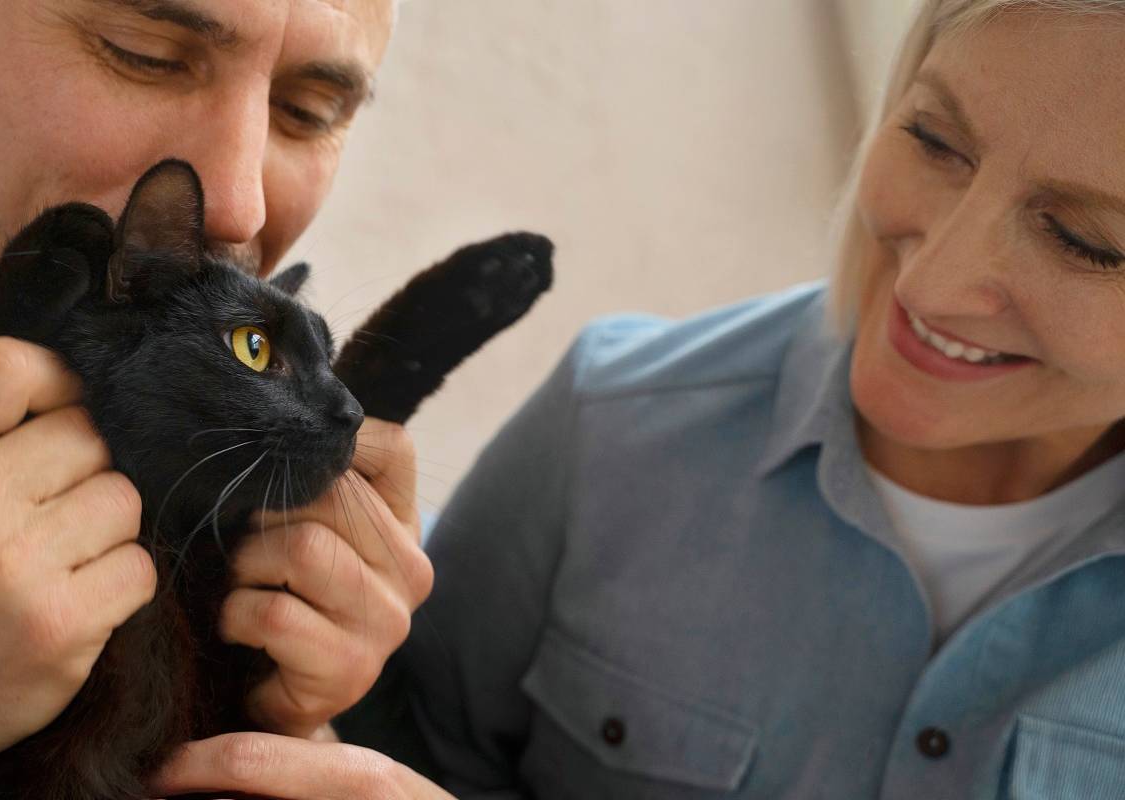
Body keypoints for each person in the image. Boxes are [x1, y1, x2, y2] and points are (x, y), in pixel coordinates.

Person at [333, 0, 1125, 796]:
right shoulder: (608, 426)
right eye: (935, 140)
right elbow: (393, 748)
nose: (929, 284)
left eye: (1082, 239)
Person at [0, 1, 445, 797]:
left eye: (307, 112)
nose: (240, 205)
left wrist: (295, 726)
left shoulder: (341, 568)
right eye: (142, 53)